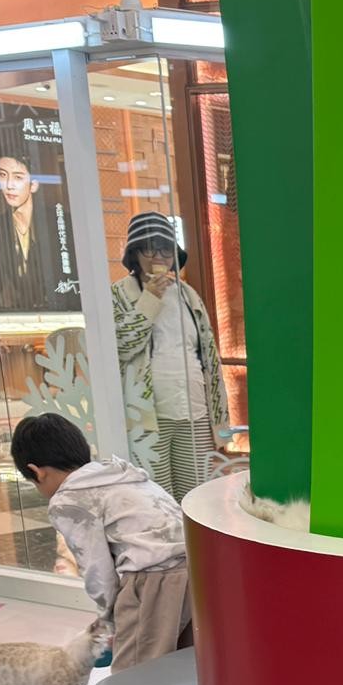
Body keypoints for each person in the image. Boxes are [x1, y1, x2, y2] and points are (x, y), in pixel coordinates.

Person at [10, 413, 193, 672]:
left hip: (154, 579)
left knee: (135, 672)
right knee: (184, 661)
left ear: (36, 472)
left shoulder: (68, 499)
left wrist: (109, 618)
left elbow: (97, 569)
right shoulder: (122, 475)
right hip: (198, 567)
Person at [111, 211, 228, 502]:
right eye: (150, 249)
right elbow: (122, 346)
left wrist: (218, 415)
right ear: (135, 253)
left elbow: (209, 356)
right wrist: (150, 298)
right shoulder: (120, 294)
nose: (159, 257)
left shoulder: (188, 295)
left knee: (196, 496)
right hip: (147, 415)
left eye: (165, 249)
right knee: (157, 497)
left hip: (194, 409)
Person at [0, 148, 64, 311]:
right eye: (3, 175)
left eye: (18, 177)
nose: (9, 185)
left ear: (34, 184)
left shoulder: (58, 222)